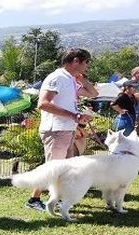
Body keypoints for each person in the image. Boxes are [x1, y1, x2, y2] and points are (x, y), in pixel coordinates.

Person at [24, 48, 98, 211]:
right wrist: (73, 116)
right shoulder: (57, 77)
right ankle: (33, 200)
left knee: (63, 169)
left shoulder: (69, 79)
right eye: (86, 63)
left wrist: (82, 80)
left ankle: (56, 199)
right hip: (56, 130)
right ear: (76, 61)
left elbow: (93, 93)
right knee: (53, 168)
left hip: (66, 130)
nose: (87, 67)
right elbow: (43, 103)